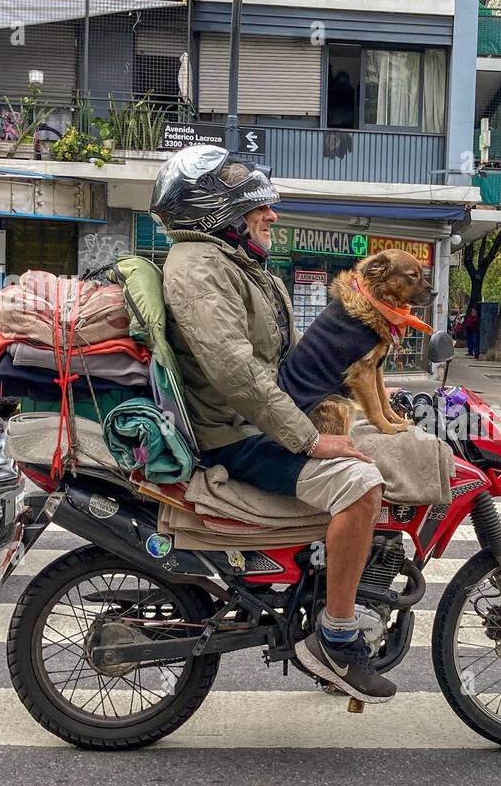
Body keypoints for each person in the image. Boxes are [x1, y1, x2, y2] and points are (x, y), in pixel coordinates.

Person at [150, 145, 395, 703]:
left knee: (373, 456)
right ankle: (335, 638)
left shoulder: (236, 267)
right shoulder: (202, 268)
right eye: (257, 206)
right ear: (219, 213)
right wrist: (308, 439)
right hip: (236, 438)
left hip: (253, 421)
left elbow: (277, 368)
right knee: (362, 488)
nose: (272, 215)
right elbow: (236, 371)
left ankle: (325, 590)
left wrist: (364, 388)